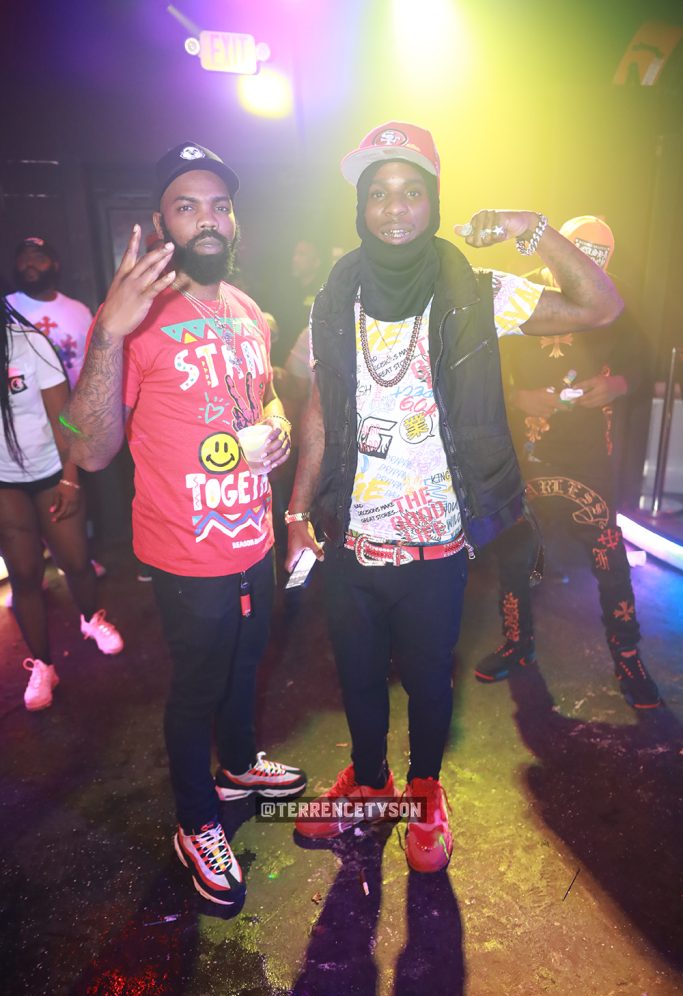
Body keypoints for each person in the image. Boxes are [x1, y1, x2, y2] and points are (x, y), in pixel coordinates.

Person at [285, 121, 623, 873]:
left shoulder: (477, 289)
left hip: (436, 538)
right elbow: (319, 408)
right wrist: (298, 511)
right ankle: (369, 783)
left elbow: (599, 306)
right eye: (379, 192)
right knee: (358, 675)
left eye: (411, 191)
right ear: (360, 206)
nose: (394, 207)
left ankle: (424, 791)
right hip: (349, 534)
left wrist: (530, 228)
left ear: (434, 201)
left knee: (429, 678)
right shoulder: (333, 297)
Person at [62, 142, 306, 907]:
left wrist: (278, 423)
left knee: (247, 664)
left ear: (234, 222)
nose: (207, 219)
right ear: (161, 222)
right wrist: (108, 333)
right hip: (184, 550)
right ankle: (197, 821)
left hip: (253, 536)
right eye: (187, 205)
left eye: (219, 205)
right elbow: (89, 449)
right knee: (197, 687)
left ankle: (238, 767)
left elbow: (265, 396)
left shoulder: (246, 309)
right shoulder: (131, 320)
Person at [474, 216, 661, 709]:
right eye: (580, 249)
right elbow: (479, 364)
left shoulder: (612, 299)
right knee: (516, 556)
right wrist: (517, 397)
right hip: (526, 452)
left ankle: (628, 656)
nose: (588, 261)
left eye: (599, 255)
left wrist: (617, 384)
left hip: (588, 454)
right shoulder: (516, 292)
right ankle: (517, 644)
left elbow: (642, 364)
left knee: (609, 557)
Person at [0, 299, 123, 711]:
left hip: (51, 471)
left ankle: (91, 618)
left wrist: (71, 479)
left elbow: (64, 420)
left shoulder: (29, 344)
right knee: (24, 574)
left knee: (75, 561)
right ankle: (43, 666)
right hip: (5, 482)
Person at [6, 237, 92, 390]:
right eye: (24, 259)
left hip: (76, 401)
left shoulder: (80, 310)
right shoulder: (5, 308)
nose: (30, 264)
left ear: (55, 265)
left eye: (39, 258)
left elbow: (92, 362)